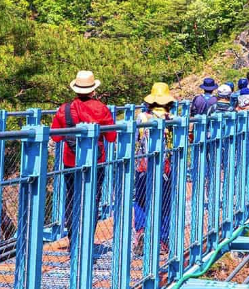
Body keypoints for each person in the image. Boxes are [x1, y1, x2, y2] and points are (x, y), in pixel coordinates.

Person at [50, 71, 117, 246]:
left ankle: (73, 238)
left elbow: (56, 137)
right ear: (93, 90)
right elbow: (111, 137)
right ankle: (86, 239)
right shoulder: (101, 109)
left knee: (72, 198)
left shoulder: (64, 109)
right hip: (96, 162)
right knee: (93, 199)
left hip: (71, 162)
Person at [133, 83, 177, 254]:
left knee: (142, 200)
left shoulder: (142, 117)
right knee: (165, 203)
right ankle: (162, 240)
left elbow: (136, 138)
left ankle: (142, 231)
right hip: (165, 167)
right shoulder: (171, 119)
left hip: (144, 166)